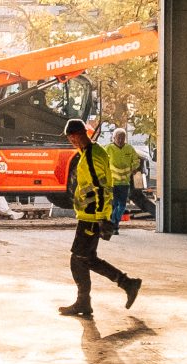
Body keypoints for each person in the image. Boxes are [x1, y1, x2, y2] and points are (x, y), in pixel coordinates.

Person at [60, 118, 142, 318]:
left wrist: (101, 218)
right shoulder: (91, 152)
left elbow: (101, 188)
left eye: (71, 138)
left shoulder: (91, 156)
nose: (71, 142)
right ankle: (125, 285)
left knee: (78, 259)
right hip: (91, 215)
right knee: (87, 259)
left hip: (92, 217)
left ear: (78, 134)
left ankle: (87, 300)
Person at [101, 123, 155, 221]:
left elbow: (136, 161)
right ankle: (114, 224)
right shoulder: (108, 149)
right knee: (114, 204)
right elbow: (102, 161)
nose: (121, 140)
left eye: (122, 138)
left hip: (125, 182)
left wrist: (133, 168)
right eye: (118, 138)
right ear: (113, 138)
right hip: (113, 182)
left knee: (122, 205)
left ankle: (114, 222)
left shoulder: (129, 149)